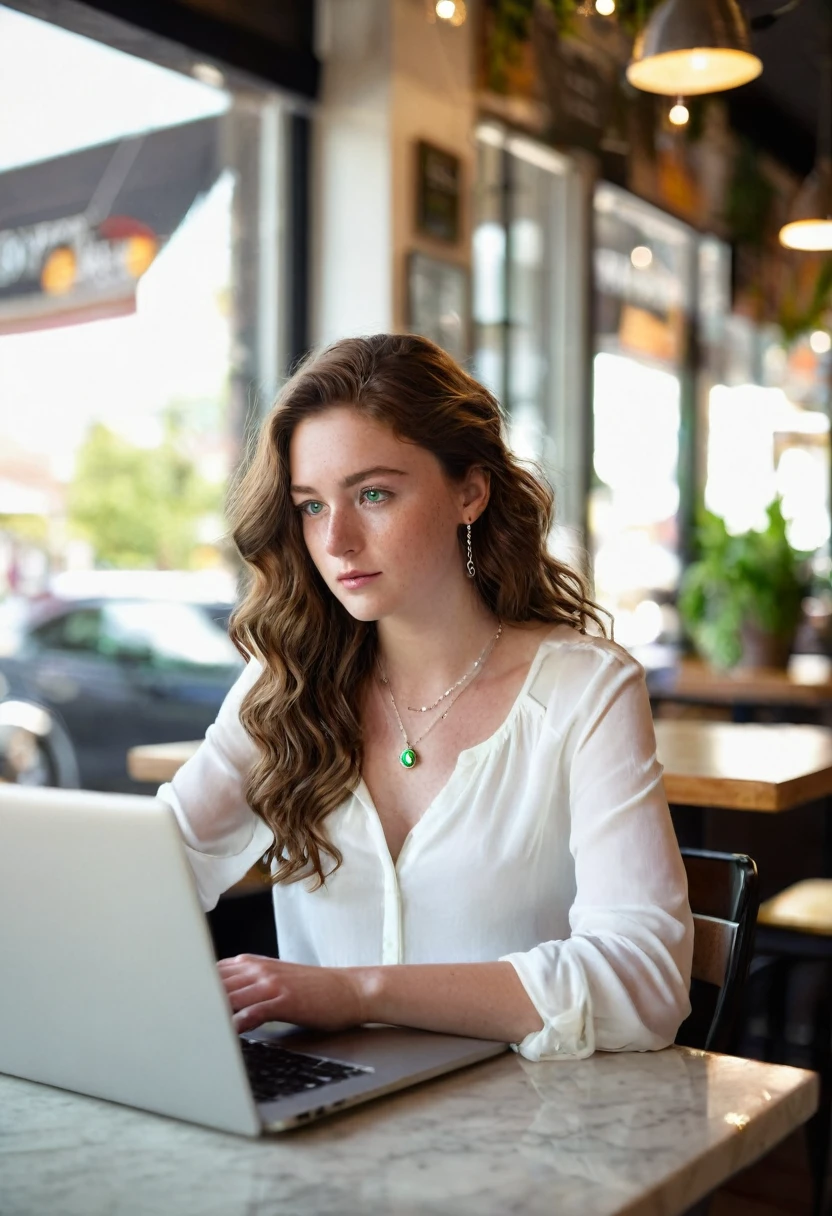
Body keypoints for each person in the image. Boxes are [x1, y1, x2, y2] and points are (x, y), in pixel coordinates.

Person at [159, 333, 693, 1062]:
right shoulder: (283, 685)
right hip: (325, 1124)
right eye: (311, 506)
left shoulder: (585, 689)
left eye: (373, 494)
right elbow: (154, 874)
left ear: (469, 492)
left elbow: (645, 983)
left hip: (526, 1128)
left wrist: (357, 992)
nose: (337, 540)